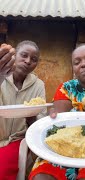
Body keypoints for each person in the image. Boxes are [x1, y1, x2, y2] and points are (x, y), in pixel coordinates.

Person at [29, 44, 85, 180]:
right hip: (65, 146)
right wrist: (52, 118)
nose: (83, 64)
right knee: (42, 176)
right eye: (77, 62)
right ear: (74, 69)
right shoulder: (66, 88)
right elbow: (59, 124)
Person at [0, 41, 46, 179]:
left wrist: (32, 116)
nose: (28, 61)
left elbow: (41, 118)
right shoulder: (1, 76)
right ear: (15, 56)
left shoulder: (38, 85)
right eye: (24, 55)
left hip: (18, 139)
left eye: (34, 59)